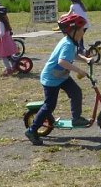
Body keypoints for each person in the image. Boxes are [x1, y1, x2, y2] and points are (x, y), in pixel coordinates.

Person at [25, 13, 90, 146]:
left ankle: (76, 118)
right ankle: (32, 130)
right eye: (83, 29)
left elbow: (73, 55)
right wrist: (78, 70)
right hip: (51, 79)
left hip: (61, 77)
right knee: (50, 105)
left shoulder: (70, 42)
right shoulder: (68, 44)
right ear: (73, 31)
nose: (84, 31)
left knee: (76, 92)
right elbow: (62, 62)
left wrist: (85, 59)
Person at [0, 5, 18, 76]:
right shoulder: (3, 20)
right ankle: (14, 66)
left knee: (3, 56)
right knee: (8, 55)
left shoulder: (0, 22)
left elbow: (1, 33)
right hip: (7, 40)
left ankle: (8, 69)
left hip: (4, 41)